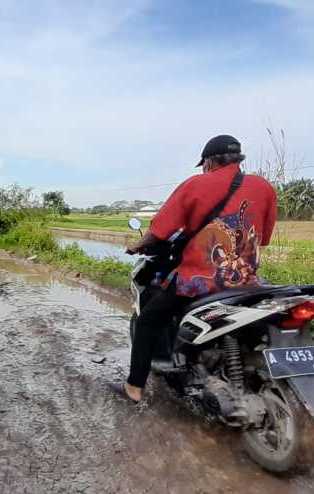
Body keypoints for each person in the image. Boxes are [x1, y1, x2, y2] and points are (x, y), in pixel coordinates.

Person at [113, 135, 278, 403]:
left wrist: (137, 245)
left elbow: (159, 231)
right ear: (238, 159)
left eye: (204, 164)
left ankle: (134, 388)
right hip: (247, 281)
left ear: (210, 162)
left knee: (147, 322)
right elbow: (265, 237)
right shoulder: (263, 187)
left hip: (200, 281)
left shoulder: (197, 184)